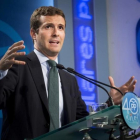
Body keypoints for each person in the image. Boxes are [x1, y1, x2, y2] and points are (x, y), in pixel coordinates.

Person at [0, 6, 137, 140]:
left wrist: (110, 103)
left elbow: (83, 122)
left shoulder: (69, 79)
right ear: (33, 33)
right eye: (48, 26)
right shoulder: (17, 64)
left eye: (60, 27)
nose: (56, 33)